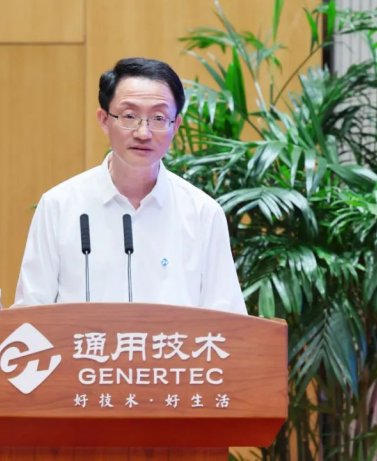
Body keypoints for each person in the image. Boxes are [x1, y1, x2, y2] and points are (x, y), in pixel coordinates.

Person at [13, 57, 247, 314]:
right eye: (129, 116)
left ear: (176, 126)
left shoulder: (203, 213)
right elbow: (29, 313)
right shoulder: (59, 206)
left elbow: (228, 319)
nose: (143, 133)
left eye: (158, 118)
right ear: (104, 120)